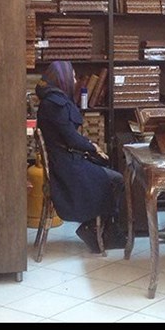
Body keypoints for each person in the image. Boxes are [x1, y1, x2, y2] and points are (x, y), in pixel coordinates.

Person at [34, 61, 126, 253]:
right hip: (67, 168)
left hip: (65, 161)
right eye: (73, 76)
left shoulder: (51, 100)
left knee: (106, 171)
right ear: (62, 79)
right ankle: (94, 228)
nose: (75, 81)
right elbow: (71, 138)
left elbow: (68, 137)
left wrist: (90, 147)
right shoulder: (55, 104)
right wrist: (92, 147)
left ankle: (98, 228)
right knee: (116, 179)